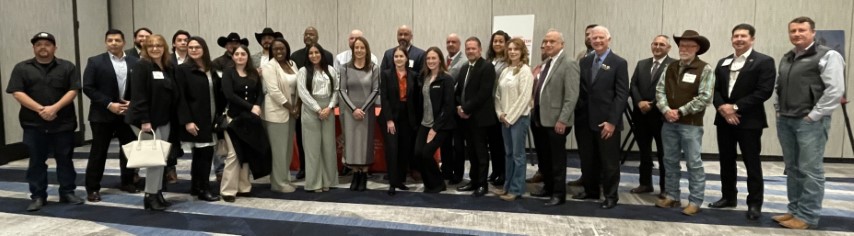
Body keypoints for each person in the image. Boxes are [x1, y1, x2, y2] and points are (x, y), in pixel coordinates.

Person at [773, 16, 844, 229]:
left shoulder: (828, 55)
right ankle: (794, 210)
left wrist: (814, 115)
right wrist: (778, 110)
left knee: (810, 170)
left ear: (813, 32)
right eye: (793, 31)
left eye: (801, 30)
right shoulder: (787, 57)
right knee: (793, 168)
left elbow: (835, 90)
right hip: (786, 120)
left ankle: (807, 216)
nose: (796, 34)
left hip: (810, 123)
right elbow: (779, 86)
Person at [7, 32, 84, 211]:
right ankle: (38, 196)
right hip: (34, 124)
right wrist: (41, 110)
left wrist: (54, 108)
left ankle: (67, 192)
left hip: (63, 123)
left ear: (55, 48)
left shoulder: (67, 67)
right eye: (39, 44)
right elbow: (17, 92)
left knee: (65, 159)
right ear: (33, 48)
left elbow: (73, 90)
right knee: (36, 161)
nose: (43, 47)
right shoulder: (22, 68)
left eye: (47, 44)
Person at [709, 23, 776, 221]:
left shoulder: (764, 61)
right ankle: (728, 197)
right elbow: (715, 89)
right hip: (724, 120)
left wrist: (735, 108)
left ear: (752, 39)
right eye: (736, 36)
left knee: (751, 163)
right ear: (731, 39)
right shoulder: (723, 62)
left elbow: (764, 91)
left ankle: (754, 203)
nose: (739, 39)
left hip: (749, 121)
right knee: (726, 161)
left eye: (743, 36)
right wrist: (723, 108)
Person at [654, 30, 715, 216]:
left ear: (697, 48)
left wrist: (680, 111)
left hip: (691, 124)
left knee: (693, 163)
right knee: (669, 161)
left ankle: (695, 201)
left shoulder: (705, 69)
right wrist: (666, 110)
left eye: (689, 46)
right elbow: (659, 91)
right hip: (668, 123)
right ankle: (672, 196)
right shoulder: (670, 67)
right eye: (682, 45)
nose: (684, 49)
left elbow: (705, 97)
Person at [82, 29, 140, 203]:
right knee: (98, 152)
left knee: (128, 150)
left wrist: (132, 103)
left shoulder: (135, 62)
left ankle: (127, 181)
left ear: (124, 42)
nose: (113, 43)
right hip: (102, 114)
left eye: (117, 40)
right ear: (106, 42)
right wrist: (109, 104)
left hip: (127, 114)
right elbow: (88, 87)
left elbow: (140, 87)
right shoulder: (95, 61)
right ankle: (93, 188)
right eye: (110, 40)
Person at [574, 26, 629, 209]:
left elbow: (621, 95)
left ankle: (611, 196)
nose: (597, 41)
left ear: (608, 39)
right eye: (594, 38)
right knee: (587, 159)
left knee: (609, 162)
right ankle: (591, 190)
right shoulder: (585, 62)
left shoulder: (619, 63)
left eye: (601, 38)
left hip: (607, 121)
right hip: (584, 120)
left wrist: (612, 122)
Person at [127, 34, 179, 211]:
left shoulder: (166, 67)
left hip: (163, 119)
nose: (155, 49)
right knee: (154, 160)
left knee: (161, 158)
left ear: (164, 48)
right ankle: (150, 195)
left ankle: (157, 193)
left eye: (159, 46)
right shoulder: (142, 66)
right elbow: (138, 95)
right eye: (151, 46)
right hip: (145, 121)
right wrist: (145, 120)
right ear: (145, 49)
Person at [529, 30, 580, 206]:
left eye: (552, 41)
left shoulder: (569, 63)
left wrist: (563, 119)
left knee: (557, 159)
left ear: (562, 44)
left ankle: (559, 194)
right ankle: (549, 187)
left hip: (557, 120)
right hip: (541, 119)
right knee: (545, 157)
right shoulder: (546, 63)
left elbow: (571, 95)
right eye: (546, 41)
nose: (548, 44)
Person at [175, 36, 224, 202]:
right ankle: (204, 189)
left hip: (212, 118)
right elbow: (180, 97)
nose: (194, 50)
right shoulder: (182, 70)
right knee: (204, 155)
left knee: (201, 155)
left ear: (204, 49)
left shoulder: (212, 68)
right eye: (191, 48)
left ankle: (196, 186)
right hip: (196, 119)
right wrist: (187, 121)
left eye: (197, 47)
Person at [630, 35, 675, 197]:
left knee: (664, 154)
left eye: (662, 44)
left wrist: (652, 104)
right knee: (644, 152)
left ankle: (665, 188)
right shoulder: (642, 64)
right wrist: (639, 102)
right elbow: (633, 85)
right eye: (655, 44)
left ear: (668, 48)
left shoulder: (674, 65)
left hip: (661, 116)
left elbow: (671, 88)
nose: (657, 47)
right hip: (641, 115)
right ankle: (645, 183)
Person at [219, 45, 265, 202]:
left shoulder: (253, 73)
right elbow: (229, 95)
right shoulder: (228, 73)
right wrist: (251, 107)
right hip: (233, 119)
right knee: (233, 154)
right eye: (237, 54)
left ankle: (243, 187)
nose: (240, 56)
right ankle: (227, 190)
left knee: (245, 153)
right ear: (233, 57)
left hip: (249, 119)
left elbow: (260, 93)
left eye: (243, 54)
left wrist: (257, 105)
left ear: (247, 56)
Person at [454, 37, 497, 197]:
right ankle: (473, 181)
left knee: (481, 153)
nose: (470, 51)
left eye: (473, 48)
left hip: (480, 118)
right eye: (468, 48)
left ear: (480, 49)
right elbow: (459, 91)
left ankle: (482, 184)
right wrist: (459, 107)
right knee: (471, 152)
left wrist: (466, 108)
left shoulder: (487, 67)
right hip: (466, 118)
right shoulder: (465, 67)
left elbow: (483, 93)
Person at [492, 38, 533, 201]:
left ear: (522, 51)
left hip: (519, 119)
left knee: (518, 155)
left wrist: (510, 117)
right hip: (505, 119)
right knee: (508, 154)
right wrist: (500, 114)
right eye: (510, 49)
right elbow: (498, 95)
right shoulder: (506, 70)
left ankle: (516, 189)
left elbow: (524, 98)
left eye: (516, 49)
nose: (512, 52)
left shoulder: (525, 71)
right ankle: (507, 186)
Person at [291, 26, 334, 179]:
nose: (308, 36)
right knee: (304, 139)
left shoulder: (327, 56)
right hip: (303, 105)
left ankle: (325, 173)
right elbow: (299, 86)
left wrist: (328, 106)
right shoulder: (295, 56)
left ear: (317, 37)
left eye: (312, 34)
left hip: (325, 105)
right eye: (306, 34)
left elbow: (332, 83)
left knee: (325, 142)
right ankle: (304, 168)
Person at [338, 37, 380, 192]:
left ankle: (364, 175)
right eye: (356, 47)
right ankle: (355, 174)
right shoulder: (345, 68)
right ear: (352, 50)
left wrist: (362, 109)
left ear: (366, 50)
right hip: (350, 112)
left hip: (367, 112)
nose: (359, 50)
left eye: (362, 47)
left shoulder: (374, 68)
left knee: (365, 143)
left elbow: (376, 90)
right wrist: (353, 109)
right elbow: (341, 90)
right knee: (352, 142)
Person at [297, 43, 340, 192]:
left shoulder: (331, 70)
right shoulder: (303, 71)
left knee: (328, 146)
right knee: (312, 148)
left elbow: (336, 90)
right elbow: (302, 92)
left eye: (317, 52)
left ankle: (329, 181)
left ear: (322, 54)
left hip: (328, 109)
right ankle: (314, 183)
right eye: (311, 53)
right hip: (310, 110)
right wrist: (317, 108)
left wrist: (330, 107)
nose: (314, 55)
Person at [413, 47, 455, 194]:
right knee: (418, 154)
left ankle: (438, 183)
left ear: (440, 60)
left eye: (433, 58)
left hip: (441, 125)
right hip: (424, 123)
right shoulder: (424, 77)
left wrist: (435, 129)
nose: (430, 61)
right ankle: (429, 183)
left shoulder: (446, 79)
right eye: (428, 58)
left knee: (426, 154)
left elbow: (448, 106)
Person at [261, 38, 300, 193]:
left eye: (282, 48)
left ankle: (285, 178)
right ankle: (278, 183)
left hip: (292, 111)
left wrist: (297, 106)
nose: (279, 51)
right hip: (276, 112)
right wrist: (290, 108)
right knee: (278, 150)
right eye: (275, 49)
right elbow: (274, 91)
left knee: (288, 149)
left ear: (287, 49)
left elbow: (299, 85)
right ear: (271, 51)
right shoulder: (269, 67)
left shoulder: (292, 64)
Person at [380, 47, 418, 195]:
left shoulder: (413, 75)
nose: (398, 59)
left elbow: (415, 98)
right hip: (391, 116)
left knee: (404, 149)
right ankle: (392, 182)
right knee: (392, 149)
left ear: (406, 58)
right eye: (396, 56)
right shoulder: (386, 74)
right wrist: (389, 120)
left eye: (401, 56)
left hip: (407, 117)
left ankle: (400, 180)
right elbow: (384, 98)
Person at [568, 23, 598, 187]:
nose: (589, 37)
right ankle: (585, 177)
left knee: (597, 150)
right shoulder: (581, 55)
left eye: (593, 34)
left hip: (598, 111)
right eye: (587, 34)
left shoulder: (607, 57)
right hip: (581, 109)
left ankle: (598, 181)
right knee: (584, 148)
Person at [485, 30, 510, 186]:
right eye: (495, 41)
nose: (497, 44)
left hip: (502, 107)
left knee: (502, 143)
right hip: (489, 107)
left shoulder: (508, 62)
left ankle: (503, 173)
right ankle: (495, 170)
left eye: (501, 41)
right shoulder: (489, 60)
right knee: (493, 143)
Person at [441, 33, 466, 184]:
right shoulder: (445, 60)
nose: (450, 44)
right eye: (448, 42)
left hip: (456, 108)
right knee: (445, 142)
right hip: (445, 109)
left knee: (458, 144)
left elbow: (459, 86)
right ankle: (446, 171)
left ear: (459, 44)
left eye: (454, 42)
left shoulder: (463, 62)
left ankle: (457, 174)